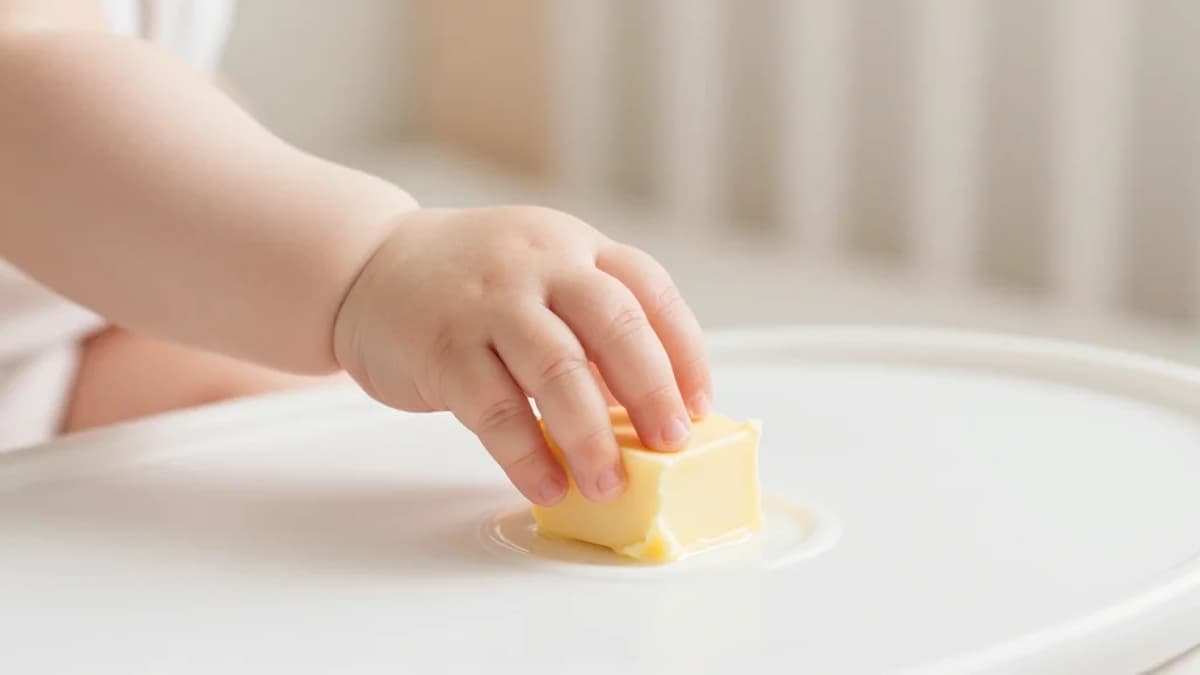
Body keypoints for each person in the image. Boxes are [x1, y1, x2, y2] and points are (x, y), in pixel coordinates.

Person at [0, 0, 713, 507]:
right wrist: (373, 260)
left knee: (327, 462)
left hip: (63, 340)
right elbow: (20, 93)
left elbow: (153, 92)